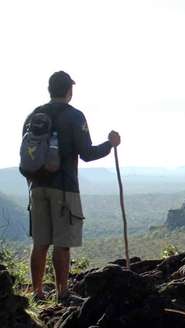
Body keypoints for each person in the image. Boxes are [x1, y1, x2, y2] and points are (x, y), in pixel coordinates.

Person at [23, 71, 121, 302]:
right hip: (64, 187)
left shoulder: (33, 116)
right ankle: (62, 293)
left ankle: (37, 293)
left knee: (40, 242)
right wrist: (110, 144)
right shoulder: (74, 116)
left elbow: (28, 154)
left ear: (50, 89)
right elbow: (87, 153)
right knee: (63, 243)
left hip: (36, 186)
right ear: (69, 91)